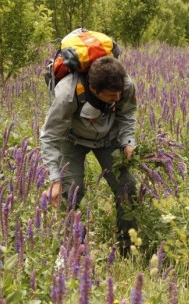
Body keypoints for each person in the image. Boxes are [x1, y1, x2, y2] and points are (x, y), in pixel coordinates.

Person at [39, 56, 138, 256]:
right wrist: (55, 179)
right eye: (111, 96)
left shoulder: (125, 85)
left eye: (119, 94)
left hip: (108, 137)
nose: (117, 99)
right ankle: (74, 253)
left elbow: (127, 113)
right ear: (94, 89)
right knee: (70, 193)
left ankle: (128, 250)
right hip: (71, 138)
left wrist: (127, 141)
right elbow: (49, 136)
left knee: (127, 188)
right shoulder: (67, 94)